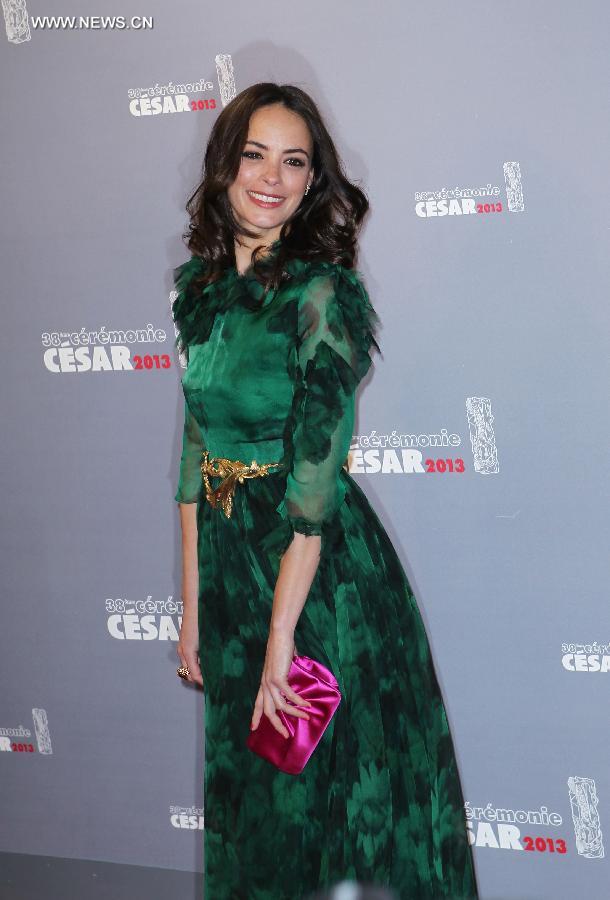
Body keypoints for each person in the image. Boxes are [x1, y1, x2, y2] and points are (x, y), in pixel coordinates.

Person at [172, 82, 479, 900]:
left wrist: (282, 639)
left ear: (313, 184)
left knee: (305, 795)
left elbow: (313, 484)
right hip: (232, 572)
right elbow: (195, 455)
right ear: (225, 165)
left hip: (312, 577)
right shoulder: (200, 295)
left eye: (294, 161)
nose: (270, 177)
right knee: (250, 797)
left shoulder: (320, 297)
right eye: (254, 154)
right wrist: (195, 606)